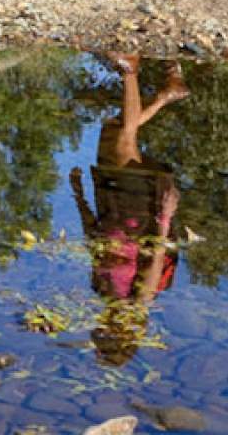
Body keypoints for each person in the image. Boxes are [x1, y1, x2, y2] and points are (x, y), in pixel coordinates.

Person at [70, 52, 187, 368]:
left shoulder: (102, 291)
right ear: (122, 334)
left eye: (99, 335)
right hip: (141, 211)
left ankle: (167, 94)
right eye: (106, 337)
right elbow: (156, 257)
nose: (100, 330)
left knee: (114, 132)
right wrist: (165, 216)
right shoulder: (140, 300)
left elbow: (95, 241)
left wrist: (79, 197)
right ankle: (129, 70)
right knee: (124, 140)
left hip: (111, 201)